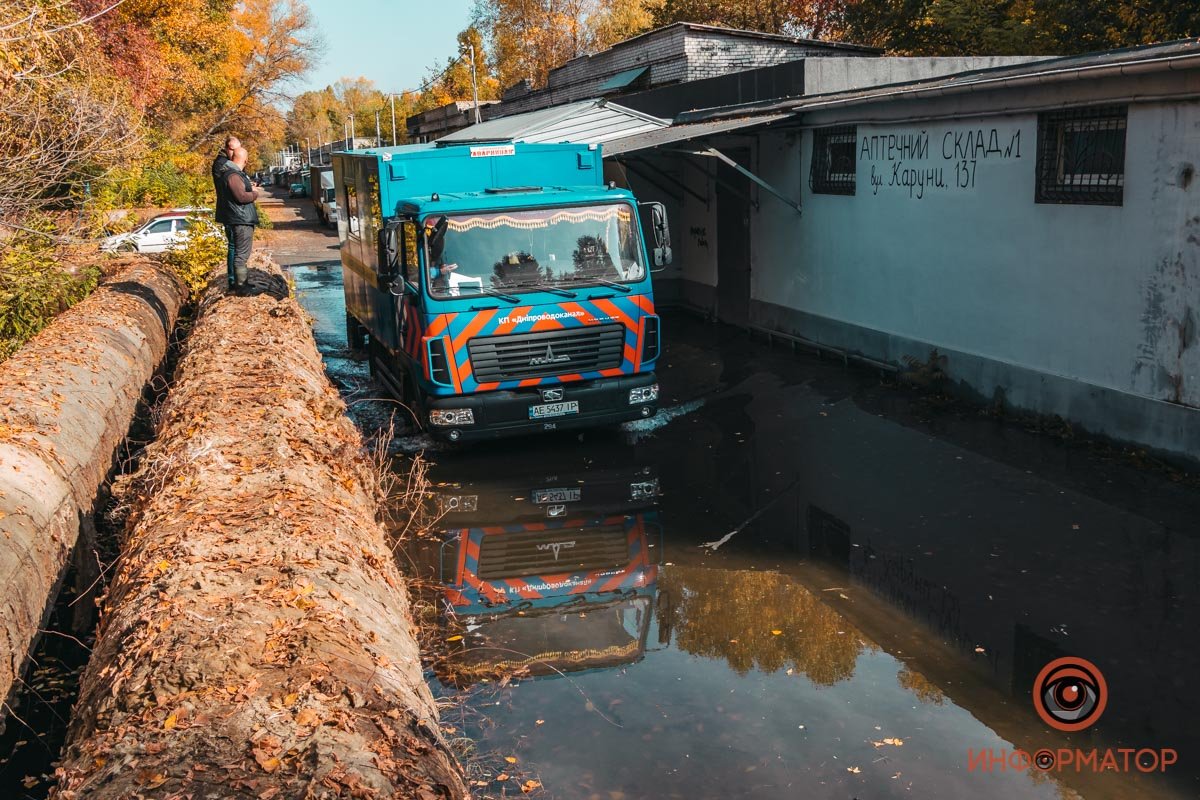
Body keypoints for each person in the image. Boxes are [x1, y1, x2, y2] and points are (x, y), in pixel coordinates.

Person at [214, 146, 260, 293]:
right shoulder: (233, 175)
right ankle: (241, 287)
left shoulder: (229, 174)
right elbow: (241, 197)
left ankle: (242, 284)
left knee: (241, 253)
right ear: (245, 160)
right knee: (241, 255)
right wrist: (254, 193)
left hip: (238, 218)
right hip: (241, 219)